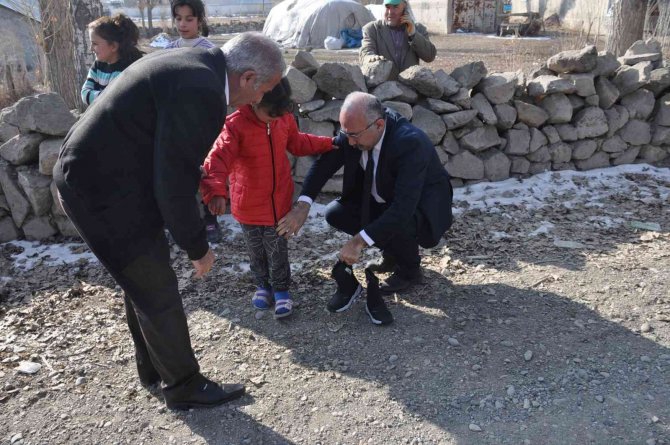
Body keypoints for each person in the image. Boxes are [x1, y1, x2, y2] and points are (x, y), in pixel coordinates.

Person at [54, 32, 285, 410]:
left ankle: (154, 370)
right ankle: (183, 386)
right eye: (264, 88)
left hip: (103, 176)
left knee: (143, 279)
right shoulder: (203, 91)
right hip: (100, 188)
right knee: (155, 284)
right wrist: (197, 245)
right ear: (246, 78)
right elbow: (174, 179)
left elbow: (168, 164)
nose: (260, 99)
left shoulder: (195, 66)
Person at [277, 92, 453, 325]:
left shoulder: (410, 143)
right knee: (336, 213)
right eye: (345, 133)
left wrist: (358, 241)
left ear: (379, 125)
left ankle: (410, 269)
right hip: (383, 200)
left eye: (353, 136)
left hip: (421, 208)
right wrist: (303, 205)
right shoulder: (356, 131)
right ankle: (392, 254)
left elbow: (402, 208)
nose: (348, 142)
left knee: (399, 223)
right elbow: (324, 164)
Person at [200, 78, 336, 319]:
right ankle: (263, 285)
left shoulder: (283, 118)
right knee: (256, 250)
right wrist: (216, 192)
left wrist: (328, 144)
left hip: (279, 205)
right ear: (254, 101)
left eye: (279, 114)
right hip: (248, 207)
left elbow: (297, 142)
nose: (275, 118)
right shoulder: (235, 125)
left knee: (277, 249)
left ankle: (281, 289)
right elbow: (218, 159)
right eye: (270, 114)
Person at [164, 0, 220, 241]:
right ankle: (182, 223)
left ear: (199, 20)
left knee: (207, 171)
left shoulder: (209, 51)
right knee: (178, 173)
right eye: (178, 18)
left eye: (189, 19)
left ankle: (211, 219)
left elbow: (216, 88)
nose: (183, 24)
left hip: (201, 121)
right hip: (176, 123)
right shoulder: (169, 49)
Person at [359, 0, 436, 81]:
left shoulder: (418, 29)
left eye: (395, 7)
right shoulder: (372, 29)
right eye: (387, 7)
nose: (390, 12)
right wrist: (370, 58)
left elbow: (430, 56)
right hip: (385, 89)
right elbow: (366, 52)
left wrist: (413, 34)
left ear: (405, 9)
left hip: (411, 89)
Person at [81, 14, 143, 106]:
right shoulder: (98, 66)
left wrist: (100, 98)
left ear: (113, 46)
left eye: (95, 44)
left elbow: (118, 102)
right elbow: (85, 93)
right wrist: (106, 98)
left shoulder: (129, 70)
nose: (91, 48)